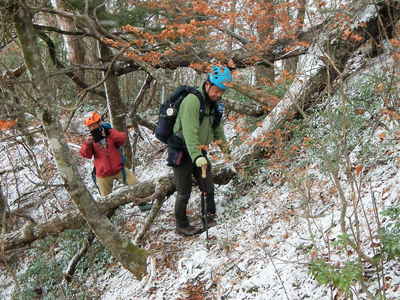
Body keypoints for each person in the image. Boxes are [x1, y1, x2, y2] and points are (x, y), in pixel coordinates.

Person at [169, 65, 233, 236]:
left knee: (208, 185)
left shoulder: (214, 105)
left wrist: (227, 151)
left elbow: (217, 130)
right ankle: (181, 226)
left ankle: (209, 217)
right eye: (217, 91)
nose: (218, 95)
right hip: (181, 151)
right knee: (184, 191)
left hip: (199, 151)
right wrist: (197, 156)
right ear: (207, 84)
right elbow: (190, 132)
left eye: (222, 92)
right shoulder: (192, 101)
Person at [80, 111, 139, 197]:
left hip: (119, 169)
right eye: (90, 126)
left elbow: (122, 138)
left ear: (99, 122)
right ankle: (111, 211)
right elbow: (86, 155)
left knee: (136, 185)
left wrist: (110, 132)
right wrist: (87, 144)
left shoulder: (109, 131)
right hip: (103, 174)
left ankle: (143, 204)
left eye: (94, 125)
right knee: (106, 200)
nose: (92, 128)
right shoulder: (89, 139)